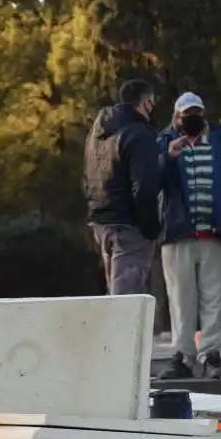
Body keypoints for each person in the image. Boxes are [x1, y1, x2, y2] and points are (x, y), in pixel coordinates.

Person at [156, 92, 221, 380]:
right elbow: (151, 182)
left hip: (214, 234)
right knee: (181, 299)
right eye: (186, 114)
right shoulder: (164, 143)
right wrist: (168, 158)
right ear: (176, 118)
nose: (192, 118)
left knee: (215, 299)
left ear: (204, 114)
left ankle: (211, 356)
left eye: (196, 112)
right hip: (178, 234)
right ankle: (182, 356)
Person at [84, 79, 164, 295]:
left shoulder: (97, 134)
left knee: (115, 294)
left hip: (102, 222)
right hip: (129, 225)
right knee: (127, 299)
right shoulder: (140, 133)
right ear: (146, 103)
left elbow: (89, 177)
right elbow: (145, 185)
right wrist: (151, 229)